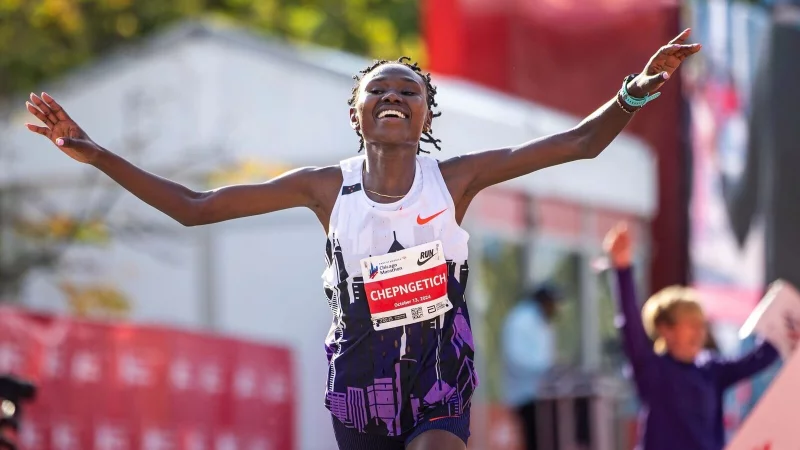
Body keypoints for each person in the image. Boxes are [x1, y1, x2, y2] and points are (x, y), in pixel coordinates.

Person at [23, 29, 700, 450]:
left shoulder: (456, 179)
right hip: (359, 390)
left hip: (439, 382)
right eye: (379, 90)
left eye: (409, 90)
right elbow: (197, 207)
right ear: (358, 113)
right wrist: (94, 152)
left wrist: (637, 90)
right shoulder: (325, 187)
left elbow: (580, 144)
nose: (394, 96)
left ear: (426, 114)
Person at [603, 223, 782, 450]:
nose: (699, 332)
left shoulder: (711, 369)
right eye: (690, 325)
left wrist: (783, 318)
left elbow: (760, 358)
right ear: (665, 329)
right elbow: (629, 324)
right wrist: (622, 269)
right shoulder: (651, 370)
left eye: (702, 325)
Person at [501, 284, 561, 450]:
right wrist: (546, 368)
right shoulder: (522, 320)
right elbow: (517, 359)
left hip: (543, 395)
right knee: (535, 441)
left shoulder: (542, 322)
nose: (556, 309)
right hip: (527, 395)